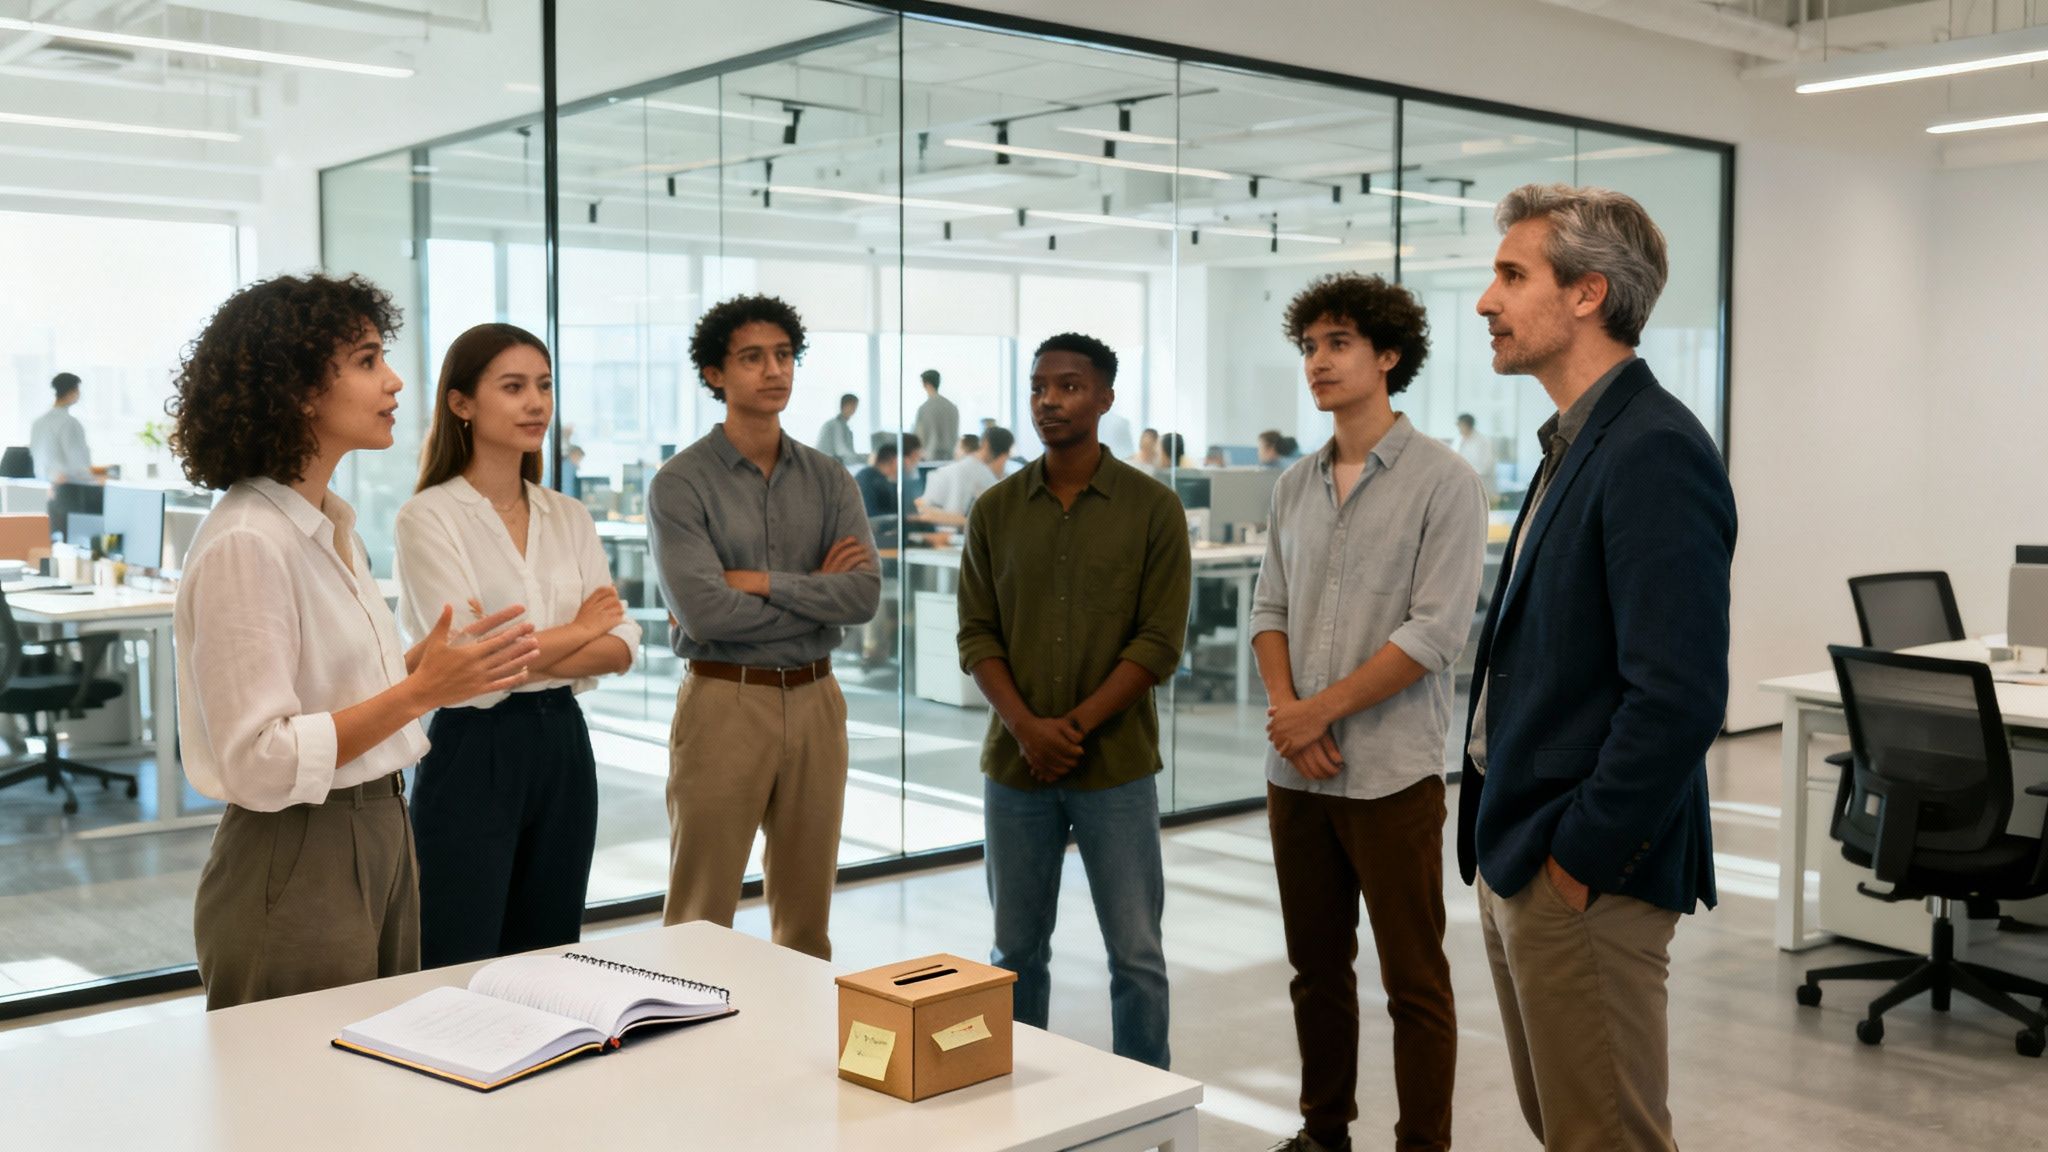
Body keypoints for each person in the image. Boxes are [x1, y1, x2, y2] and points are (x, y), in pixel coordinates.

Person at [168, 274, 538, 1010]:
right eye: (368, 361)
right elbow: (261, 759)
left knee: (370, 1066)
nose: (394, 381)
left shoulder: (327, 526)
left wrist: (419, 669)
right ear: (299, 388)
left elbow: (330, 698)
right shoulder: (249, 541)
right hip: (299, 845)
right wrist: (421, 691)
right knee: (299, 1078)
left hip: (380, 825)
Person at [1460, 185, 1736, 1151]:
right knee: (1565, 1125)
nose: (1486, 301)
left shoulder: (1653, 449)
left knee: (1606, 1137)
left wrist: (1577, 862)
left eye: (1511, 275)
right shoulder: (1576, 439)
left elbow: (1680, 696)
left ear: (1587, 294)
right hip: (1521, 845)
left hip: (1580, 870)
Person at [1252, 274, 1485, 1152]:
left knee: (1414, 981)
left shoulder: (1445, 482)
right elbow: (1268, 610)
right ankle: (1324, 1133)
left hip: (1390, 774)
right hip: (1296, 777)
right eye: (1309, 346)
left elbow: (1436, 633)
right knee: (1315, 971)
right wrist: (1291, 715)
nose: (1318, 361)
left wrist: (1318, 714)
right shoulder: (1293, 486)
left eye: (1339, 343)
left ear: (1389, 355)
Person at [957, 331, 1190, 1070]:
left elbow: (1159, 642)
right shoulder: (996, 510)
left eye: (1068, 386)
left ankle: (1144, 1102)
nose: (1049, 401)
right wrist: (1026, 727)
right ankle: (1016, 1103)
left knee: (1136, 954)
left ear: (1104, 397)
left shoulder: (1152, 509)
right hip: (1015, 769)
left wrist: (1071, 728)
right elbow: (976, 634)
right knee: (1014, 953)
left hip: (1115, 767)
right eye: (1038, 387)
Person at [395, 323, 639, 969]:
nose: (536, 403)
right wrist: (580, 629)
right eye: (513, 387)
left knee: (550, 950)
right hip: (473, 748)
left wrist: (528, 648)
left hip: (563, 741)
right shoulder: (428, 517)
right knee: (457, 950)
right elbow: (467, 662)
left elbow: (622, 644)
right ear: (462, 403)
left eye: (544, 385)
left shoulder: (570, 515)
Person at [646, 294, 880, 960]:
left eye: (783, 355)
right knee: (700, 914)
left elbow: (863, 595)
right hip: (726, 698)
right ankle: (687, 1028)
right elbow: (705, 613)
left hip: (817, 699)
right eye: (752, 357)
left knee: (807, 921)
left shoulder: (830, 478)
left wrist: (761, 581)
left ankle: (800, 1028)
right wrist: (815, 591)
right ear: (715, 374)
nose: (774, 370)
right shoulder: (680, 483)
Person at [917, 425, 1013, 527]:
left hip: (945, 528)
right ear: (1004, 455)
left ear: (984, 444)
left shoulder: (958, 469)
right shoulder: (982, 475)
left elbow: (923, 509)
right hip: (951, 530)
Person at [31, 372, 108, 484]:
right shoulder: (69, 423)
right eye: (78, 390)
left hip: (44, 484)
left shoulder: (38, 423)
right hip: (68, 487)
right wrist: (98, 480)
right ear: (72, 392)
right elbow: (78, 465)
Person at [1453, 413, 1499, 507]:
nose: (1459, 429)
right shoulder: (1458, 440)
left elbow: (1486, 465)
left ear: (1467, 425)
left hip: (1481, 484)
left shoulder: (1483, 441)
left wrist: (1468, 475)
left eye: (1460, 425)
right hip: (1463, 484)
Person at [913, 369, 959, 461]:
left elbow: (919, 437)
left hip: (930, 459)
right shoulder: (952, 407)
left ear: (926, 384)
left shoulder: (924, 409)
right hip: (950, 458)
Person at [816, 392, 864, 467]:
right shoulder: (835, 424)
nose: (854, 409)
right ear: (844, 406)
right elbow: (841, 451)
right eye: (852, 406)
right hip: (824, 465)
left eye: (855, 406)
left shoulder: (844, 426)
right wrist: (865, 459)